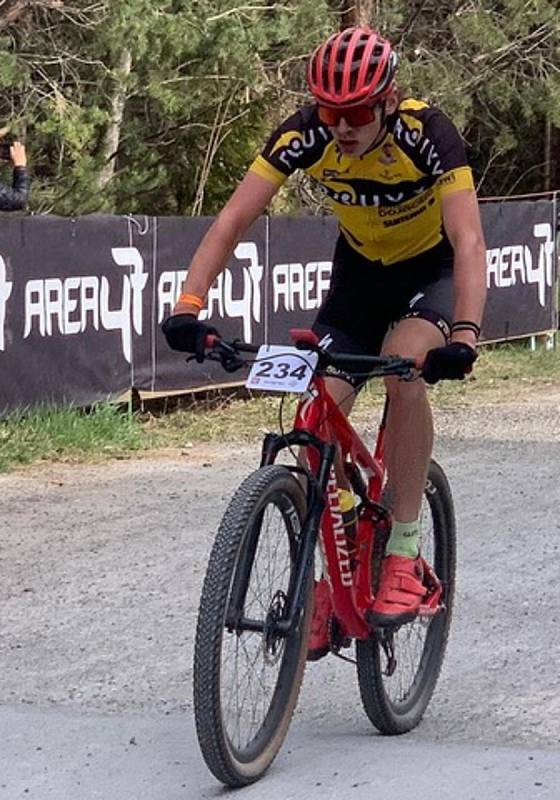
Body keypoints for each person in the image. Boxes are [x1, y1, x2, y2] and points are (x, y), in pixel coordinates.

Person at [161, 27, 487, 657]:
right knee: (317, 407)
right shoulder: (303, 133)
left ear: (388, 101)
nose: (342, 126)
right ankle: (326, 579)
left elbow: (469, 240)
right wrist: (189, 306)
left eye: (358, 112)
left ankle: (403, 550)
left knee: (405, 369)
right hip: (360, 279)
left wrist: (466, 333)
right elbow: (232, 220)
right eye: (331, 111)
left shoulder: (428, 133)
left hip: (430, 273)